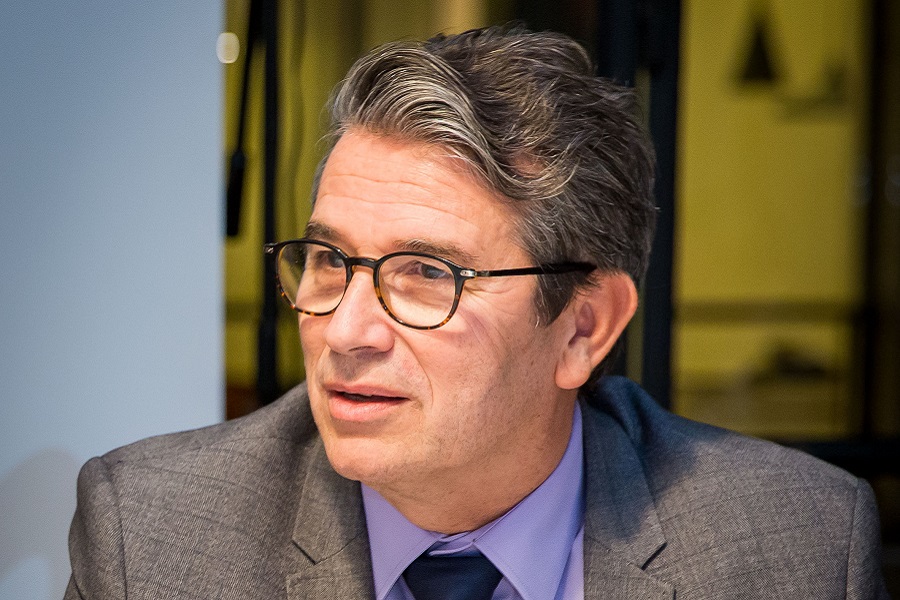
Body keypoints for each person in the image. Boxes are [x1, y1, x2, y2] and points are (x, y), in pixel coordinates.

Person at [65, 25, 889, 599]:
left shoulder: (797, 546)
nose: (345, 332)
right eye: (330, 261)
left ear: (584, 327)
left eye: (427, 274)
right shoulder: (153, 536)